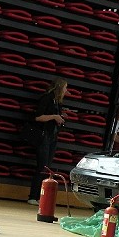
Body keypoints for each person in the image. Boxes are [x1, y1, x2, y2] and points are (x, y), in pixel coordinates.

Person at [28, 77, 68, 205]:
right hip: (44, 136)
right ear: (59, 87)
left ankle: (40, 196)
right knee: (42, 167)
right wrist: (54, 116)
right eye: (65, 88)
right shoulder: (47, 98)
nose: (66, 91)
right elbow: (38, 117)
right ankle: (33, 196)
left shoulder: (58, 102)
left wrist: (60, 117)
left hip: (52, 136)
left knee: (47, 168)